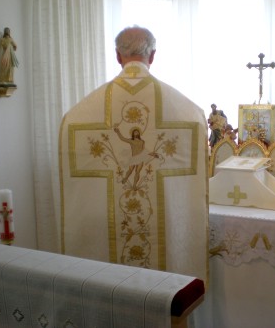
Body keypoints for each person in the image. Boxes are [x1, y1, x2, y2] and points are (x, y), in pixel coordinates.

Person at [59, 26, 209, 282]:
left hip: (106, 230)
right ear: (152, 56)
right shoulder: (188, 112)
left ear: (117, 56)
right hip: (163, 235)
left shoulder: (78, 115)